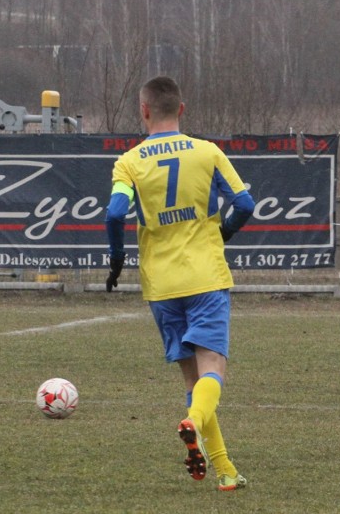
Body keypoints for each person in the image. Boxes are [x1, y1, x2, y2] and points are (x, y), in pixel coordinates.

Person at [104, 76, 255, 491]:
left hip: (161, 285)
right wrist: (219, 236)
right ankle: (193, 424)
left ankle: (224, 470)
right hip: (205, 276)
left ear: (144, 110)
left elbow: (116, 214)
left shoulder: (129, 162)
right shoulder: (207, 152)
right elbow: (245, 204)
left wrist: (117, 262)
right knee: (213, 370)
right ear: (182, 110)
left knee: (193, 381)